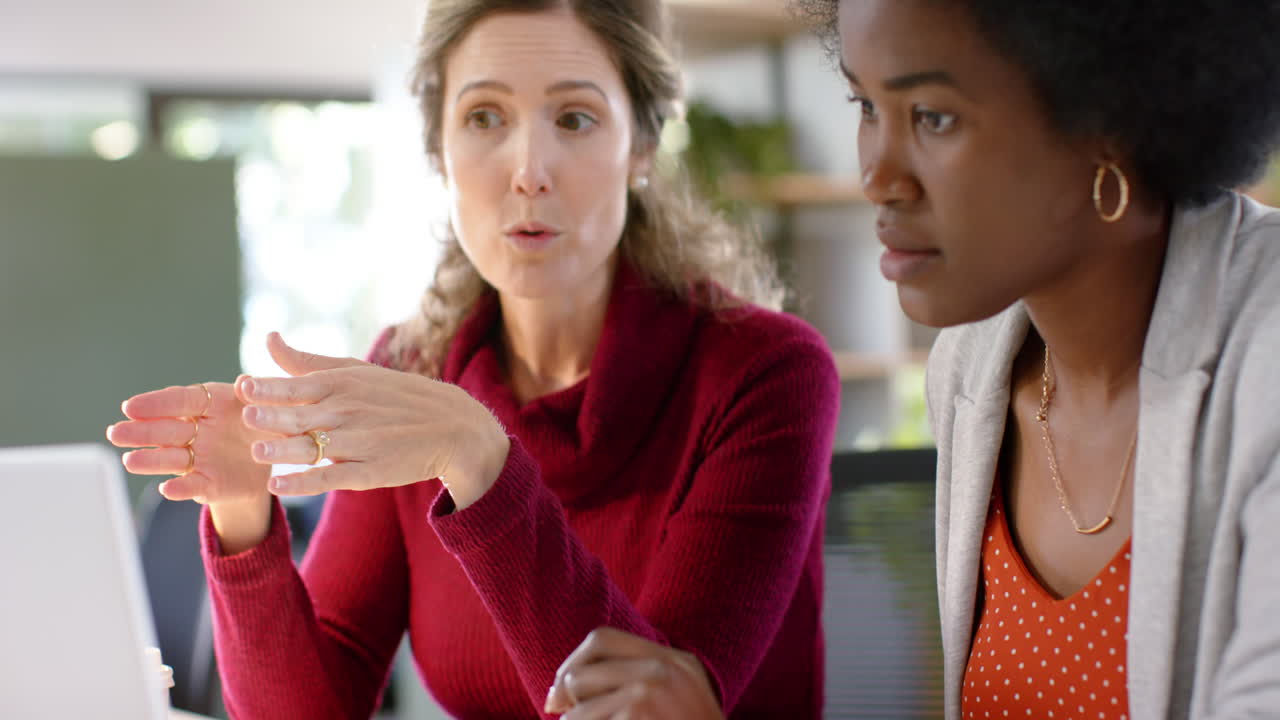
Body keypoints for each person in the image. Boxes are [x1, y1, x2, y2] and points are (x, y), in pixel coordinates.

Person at [104, 1, 841, 718]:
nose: (529, 172)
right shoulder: (415, 368)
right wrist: (243, 513)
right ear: (438, 151)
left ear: (642, 148)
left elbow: (648, 712)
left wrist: (479, 458)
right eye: (484, 117)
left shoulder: (765, 373)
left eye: (575, 119)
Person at [550, 0, 1280, 717]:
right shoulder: (972, 371)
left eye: (932, 116)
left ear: (1110, 117)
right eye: (866, 106)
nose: (877, 175)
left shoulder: (1265, 360)